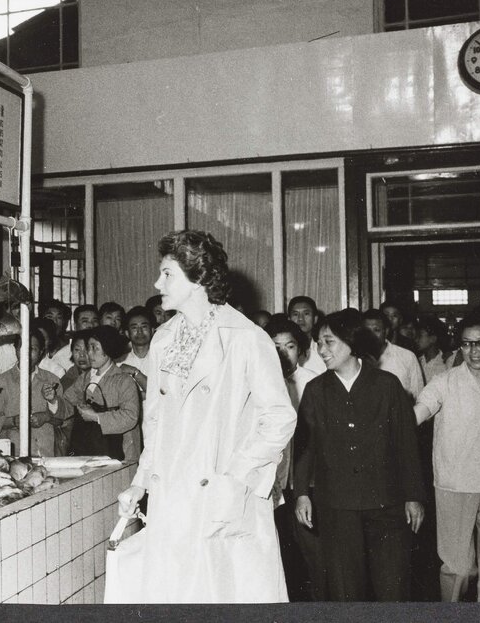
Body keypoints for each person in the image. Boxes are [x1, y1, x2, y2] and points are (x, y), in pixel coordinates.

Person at [116, 230, 295, 603]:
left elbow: (279, 417)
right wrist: (141, 481)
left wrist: (235, 478)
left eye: (167, 274)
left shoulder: (246, 338)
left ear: (197, 279)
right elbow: (155, 423)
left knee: (224, 595)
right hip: (172, 497)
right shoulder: (163, 339)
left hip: (223, 498)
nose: (156, 283)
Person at [293, 308, 426, 601]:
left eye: (329, 342)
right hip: (337, 506)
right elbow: (305, 445)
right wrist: (301, 492)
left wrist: (413, 496)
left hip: (386, 504)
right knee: (345, 589)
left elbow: (406, 444)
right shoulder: (316, 390)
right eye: (318, 343)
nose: (321, 350)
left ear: (351, 343)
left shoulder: (387, 386)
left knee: (392, 586)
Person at [414, 314, 480, 602]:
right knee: (458, 568)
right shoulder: (444, 382)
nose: (474, 351)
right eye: (467, 344)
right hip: (455, 486)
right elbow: (420, 410)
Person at [265, 315, 325, 601]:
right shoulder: (259, 384)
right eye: (274, 346)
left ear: (300, 350)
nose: (282, 353)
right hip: (272, 483)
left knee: (313, 553)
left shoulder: (313, 383)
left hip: (308, 484)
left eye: (289, 346)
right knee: (279, 555)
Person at [48, 325, 140, 461]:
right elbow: (67, 404)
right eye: (88, 348)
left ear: (108, 349)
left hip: (119, 451)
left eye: (94, 348)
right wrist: (53, 400)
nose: (89, 354)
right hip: (90, 447)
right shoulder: (85, 378)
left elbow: (131, 417)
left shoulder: (123, 380)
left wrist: (96, 416)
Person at [0, 328, 66, 457]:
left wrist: (46, 417)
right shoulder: (1, 382)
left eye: (32, 349)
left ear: (41, 352)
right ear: (15, 350)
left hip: (47, 453)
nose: (26, 353)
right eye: (21, 348)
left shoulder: (52, 380)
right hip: (14, 454)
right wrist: (14, 421)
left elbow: (62, 419)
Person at [362, 309, 425, 401]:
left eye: (376, 330)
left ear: (386, 331)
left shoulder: (407, 357)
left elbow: (419, 396)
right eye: (367, 331)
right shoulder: (356, 359)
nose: (371, 335)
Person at [287, 296, 326, 375]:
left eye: (306, 314)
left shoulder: (323, 349)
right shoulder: (282, 351)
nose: (300, 318)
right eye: (295, 314)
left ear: (315, 319)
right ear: (289, 319)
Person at [119, 306, 153, 395]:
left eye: (144, 327)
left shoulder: (163, 359)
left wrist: (134, 372)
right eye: (134, 328)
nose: (140, 332)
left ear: (152, 330)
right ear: (127, 333)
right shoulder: (120, 362)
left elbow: (162, 393)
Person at [415, 316, 454, 383]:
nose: (416, 340)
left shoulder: (445, 364)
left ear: (433, 338)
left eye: (420, 335)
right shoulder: (417, 361)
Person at [39, 299, 74, 373]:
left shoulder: (71, 350)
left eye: (59, 318)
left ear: (65, 322)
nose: (54, 322)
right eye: (50, 316)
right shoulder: (36, 348)